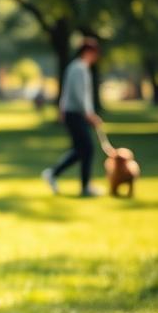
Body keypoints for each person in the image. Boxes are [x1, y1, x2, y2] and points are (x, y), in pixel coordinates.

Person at [41, 39, 103, 197]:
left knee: (80, 150)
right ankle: (85, 186)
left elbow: (67, 92)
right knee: (87, 148)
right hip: (76, 113)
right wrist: (89, 114)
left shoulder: (76, 67)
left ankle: (54, 174)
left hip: (73, 113)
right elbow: (79, 94)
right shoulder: (79, 68)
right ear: (89, 52)